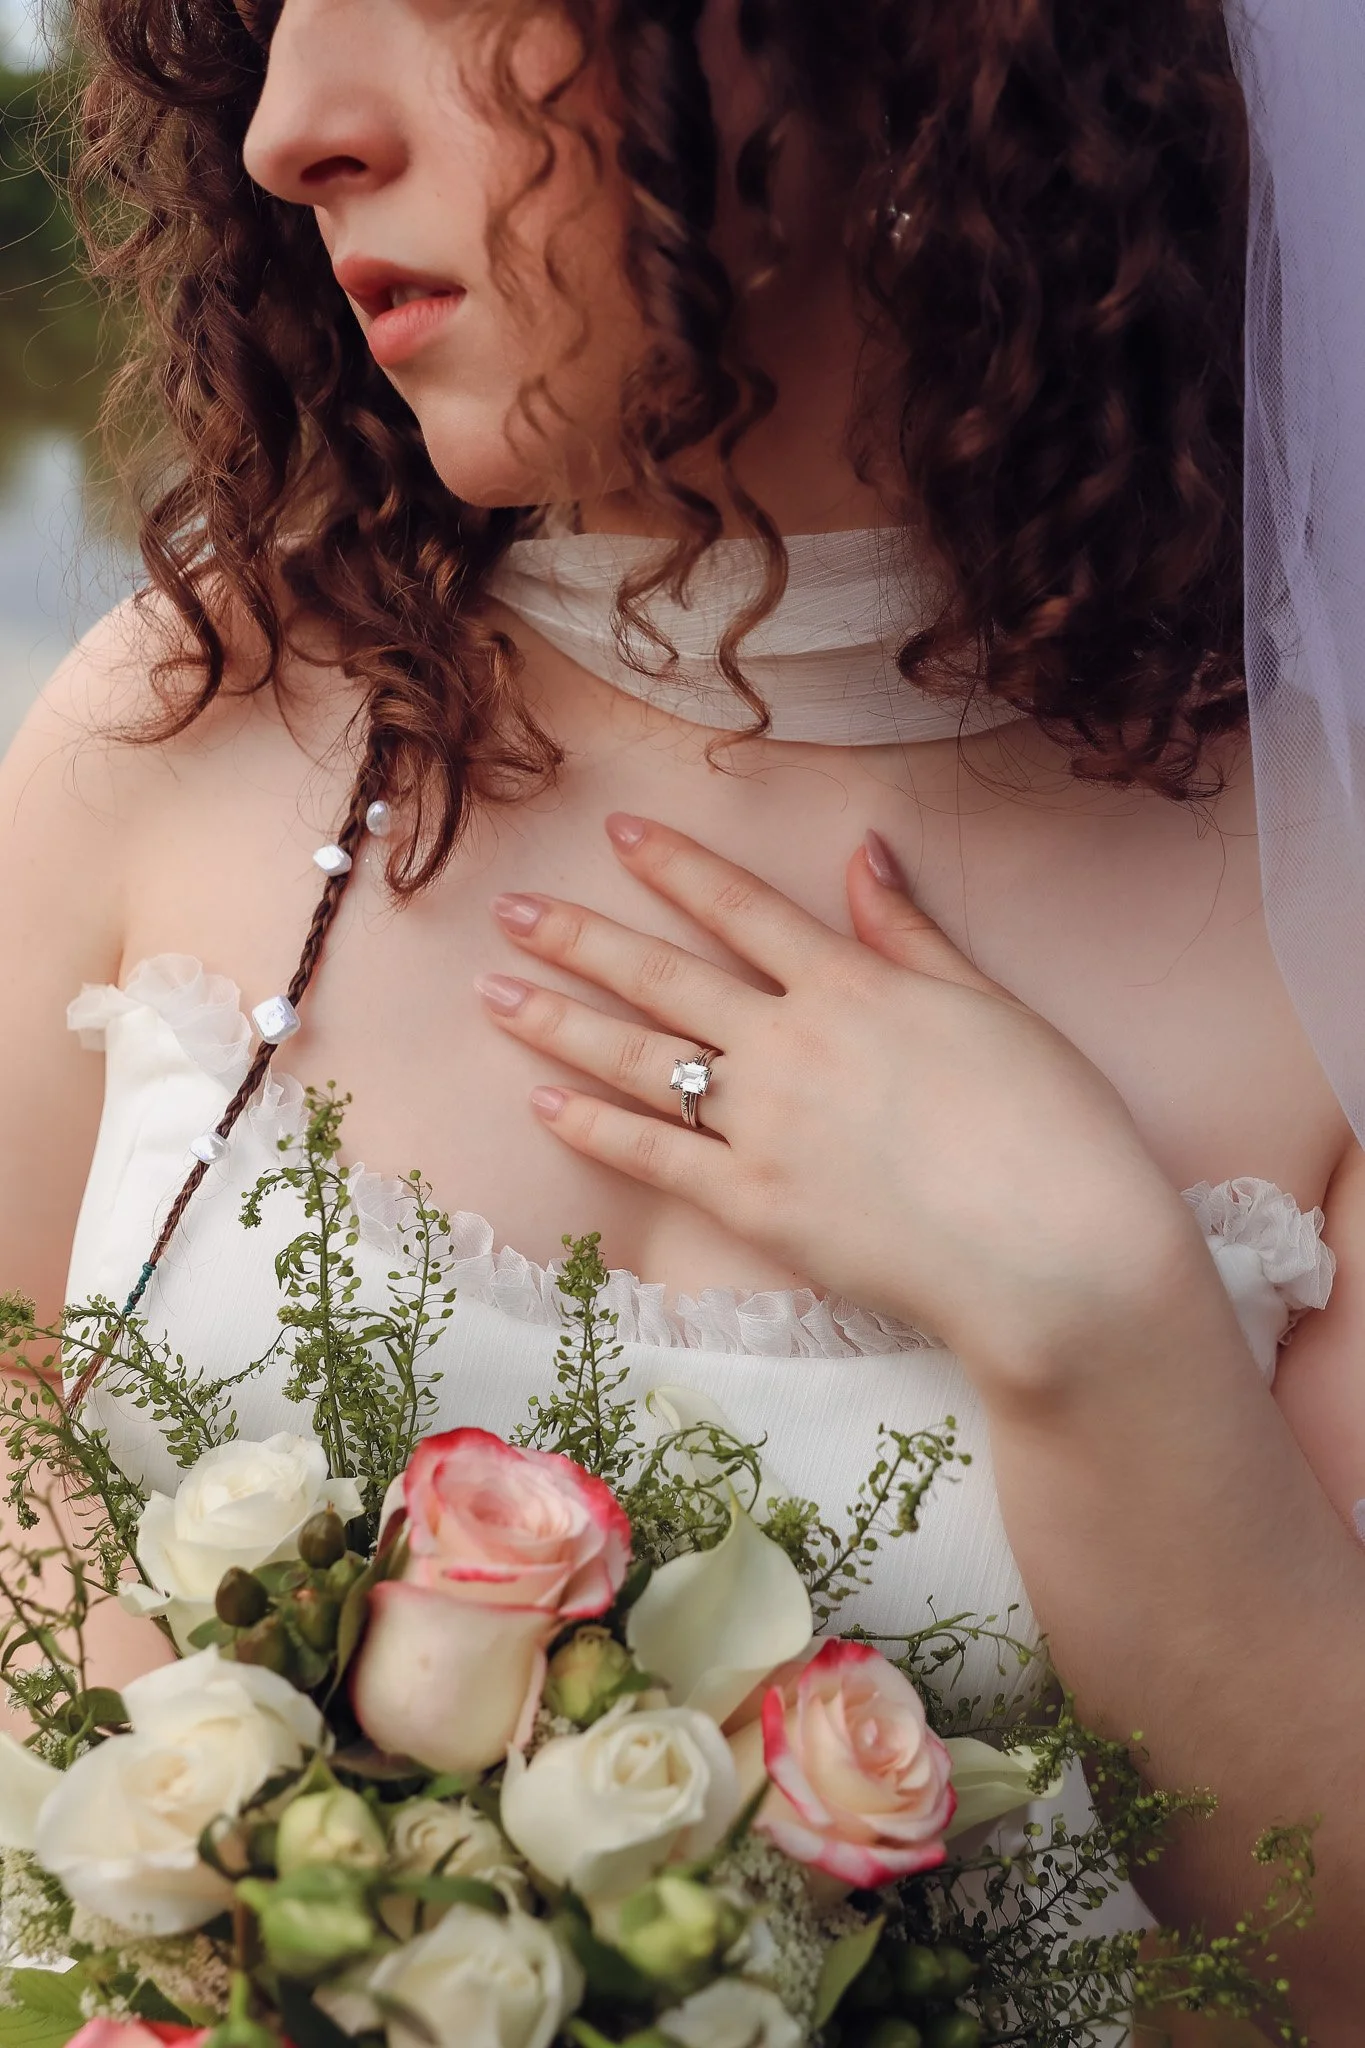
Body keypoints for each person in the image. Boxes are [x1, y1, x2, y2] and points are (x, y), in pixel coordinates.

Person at [1, 0, 1363, 2034]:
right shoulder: (175, 728)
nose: (295, 126)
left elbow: (1332, 1966)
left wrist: (1103, 1318)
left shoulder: (1320, 898)